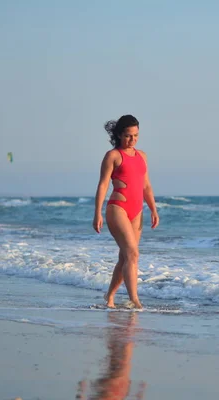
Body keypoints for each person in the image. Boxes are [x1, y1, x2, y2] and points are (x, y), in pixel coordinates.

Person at [93, 114, 159, 309]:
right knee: (132, 254)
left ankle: (110, 296)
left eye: (136, 135)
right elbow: (103, 185)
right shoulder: (113, 156)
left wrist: (154, 209)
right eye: (129, 136)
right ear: (120, 135)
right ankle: (135, 300)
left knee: (125, 257)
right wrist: (97, 212)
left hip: (137, 211)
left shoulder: (142, 156)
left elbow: (146, 186)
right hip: (118, 209)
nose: (133, 140)